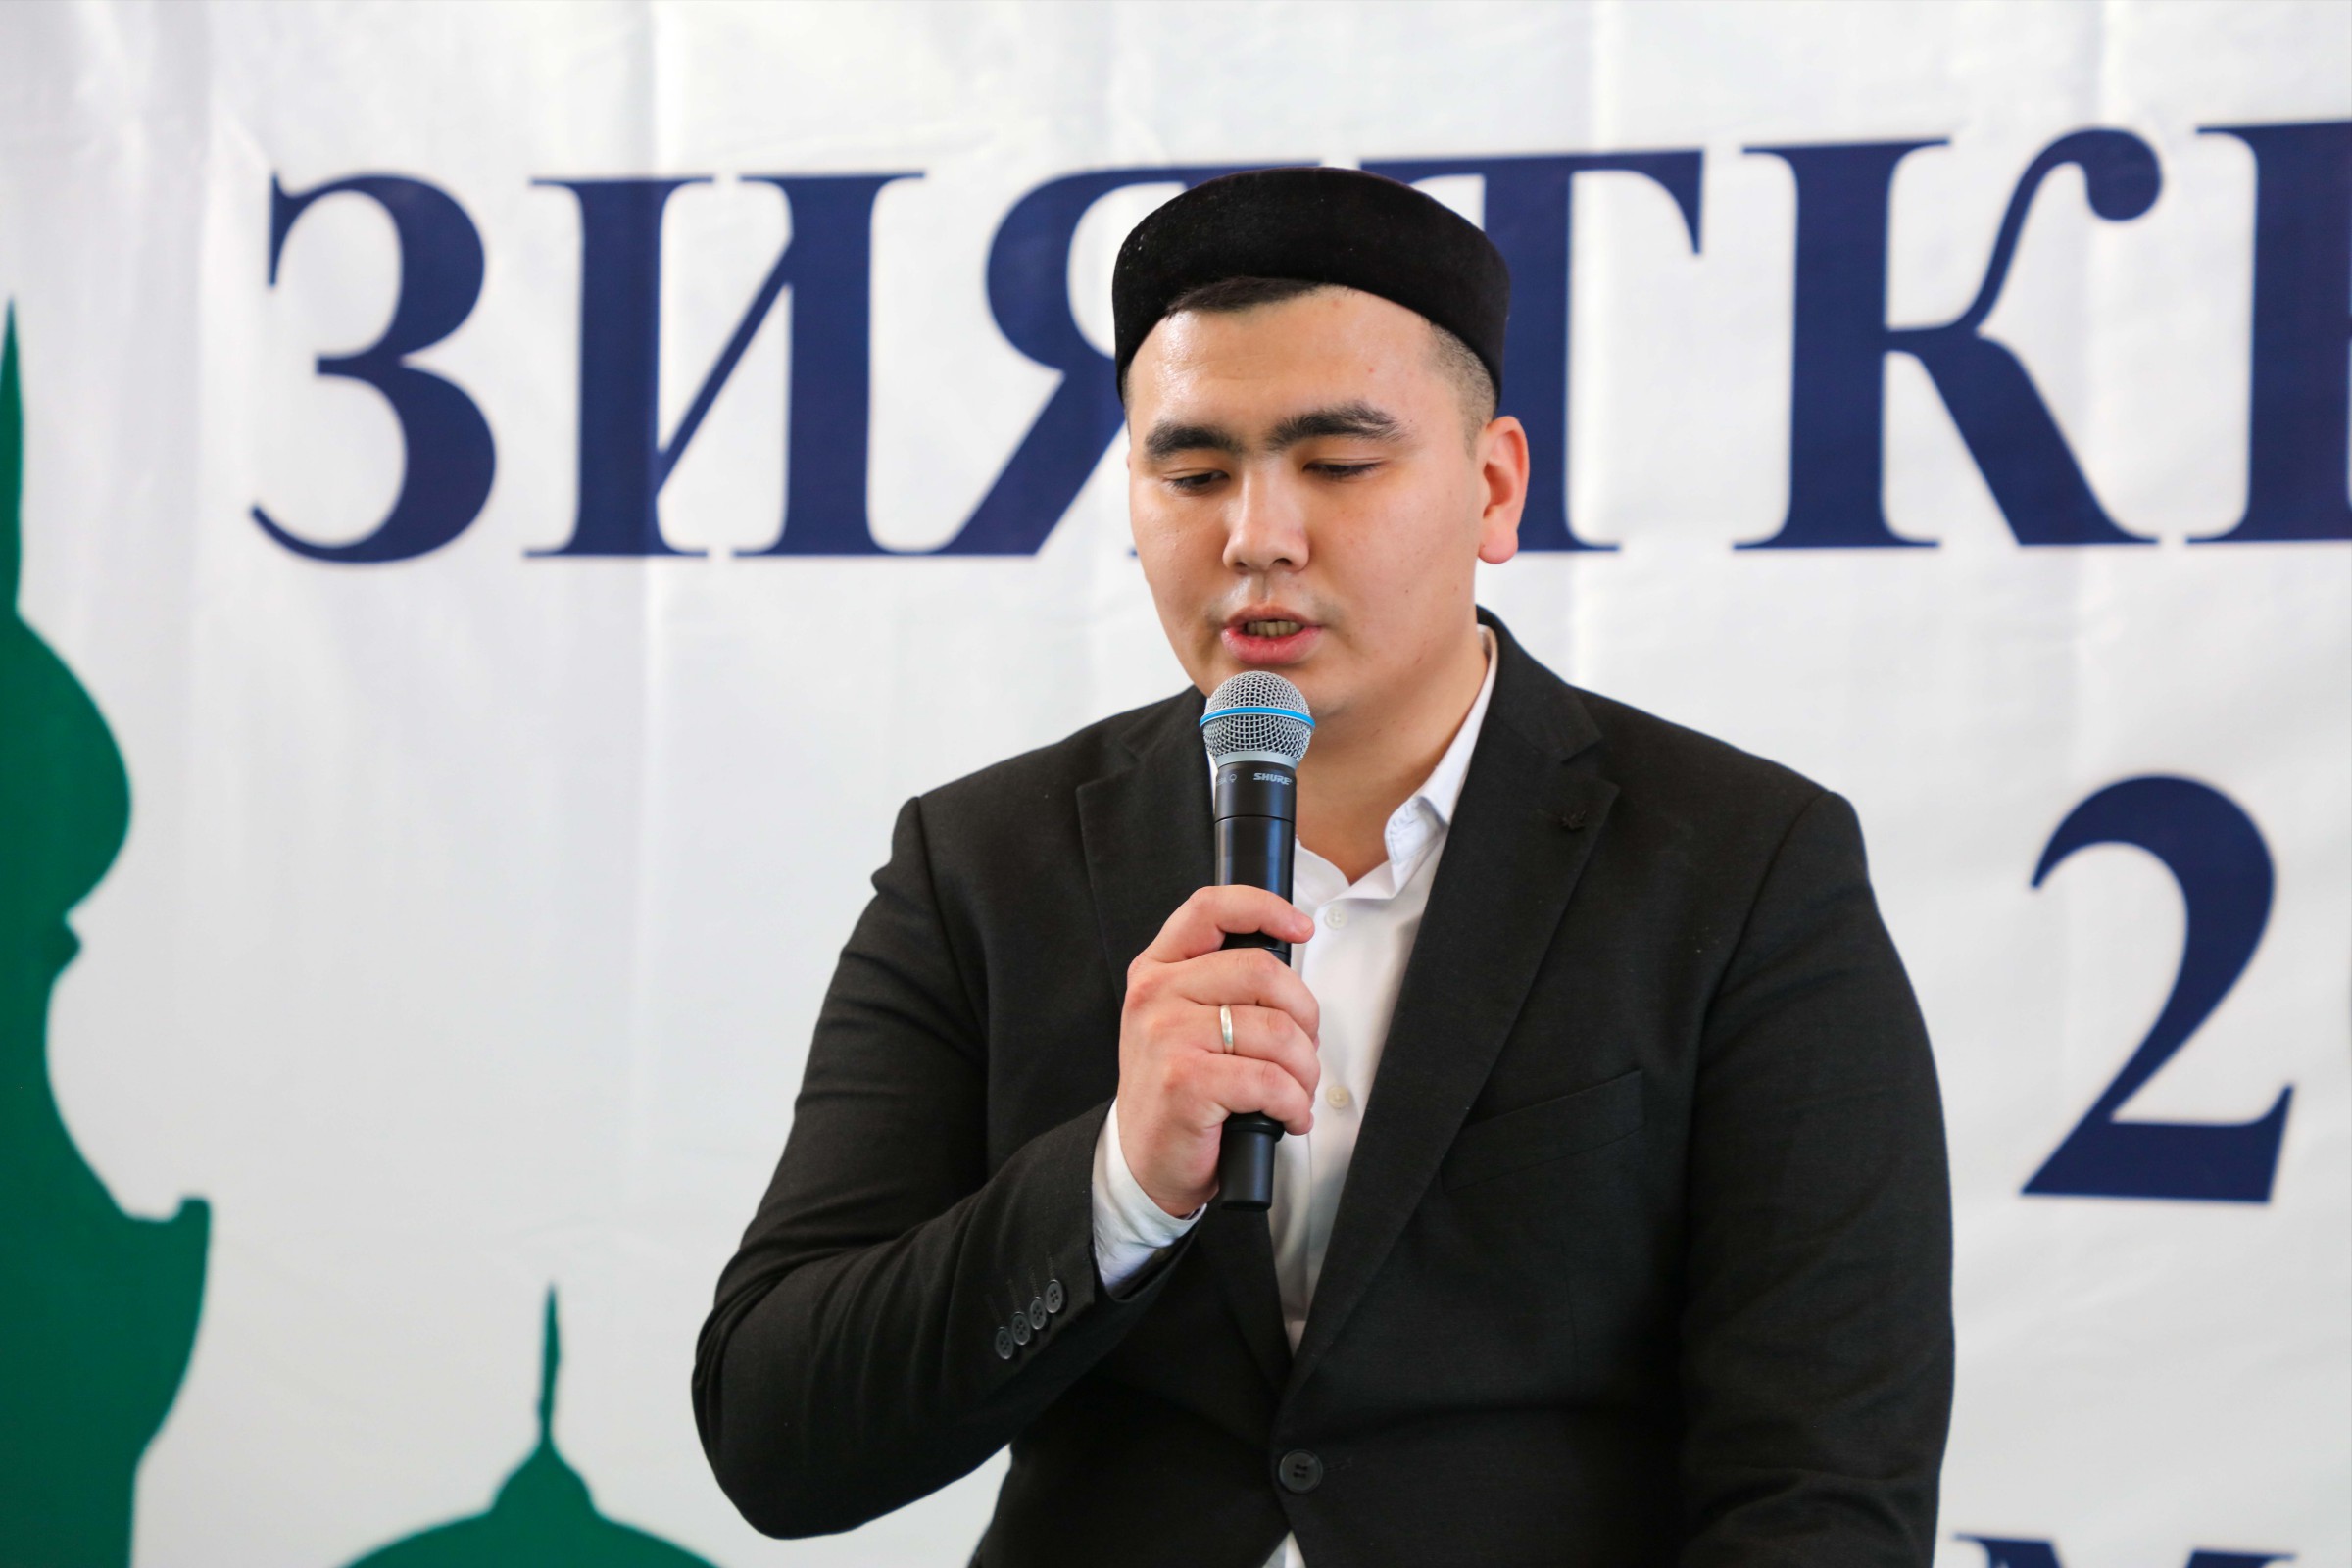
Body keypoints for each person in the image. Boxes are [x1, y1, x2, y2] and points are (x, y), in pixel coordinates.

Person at [692, 167, 1952, 1567]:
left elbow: (1826, 1489)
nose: (1256, 538)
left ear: (1493, 489)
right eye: (1192, 474)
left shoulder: (1741, 866)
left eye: (1339, 465)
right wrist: (1118, 1185)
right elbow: (775, 1434)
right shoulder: (983, 861)